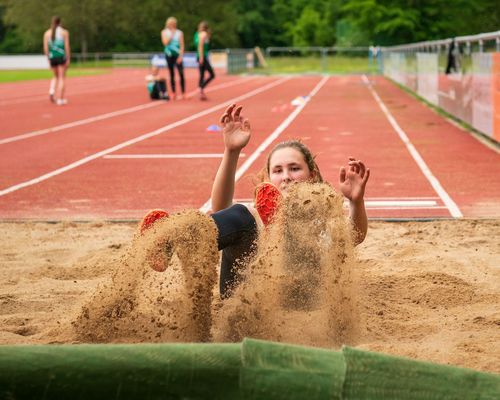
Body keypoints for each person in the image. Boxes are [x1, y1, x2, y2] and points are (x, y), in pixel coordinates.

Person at [142, 104, 370, 298]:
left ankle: (279, 230)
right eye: (278, 171)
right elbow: (220, 208)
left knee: (259, 218)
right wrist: (231, 151)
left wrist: (356, 202)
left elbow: (354, 236)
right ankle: (169, 239)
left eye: (294, 168)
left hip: (296, 300)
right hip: (242, 295)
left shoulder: (322, 217)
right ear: (269, 179)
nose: (287, 176)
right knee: (241, 214)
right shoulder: (258, 211)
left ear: (311, 174)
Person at [43, 16, 70, 105]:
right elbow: (66, 46)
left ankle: (51, 91)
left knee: (55, 76)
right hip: (61, 56)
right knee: (62, 77)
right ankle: (61, 99)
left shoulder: (47, 33)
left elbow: (46, 49)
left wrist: (48, 59)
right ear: (60, 22)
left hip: (52, 57)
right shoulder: (64, 32)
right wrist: (68, 58)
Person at [161, 17, 185, 100]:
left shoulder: (180, 33)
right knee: (172, 74)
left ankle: (183, 93)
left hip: (177, 55)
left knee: (181, 74)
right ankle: (173, 92)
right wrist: (171, 35)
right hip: (169, 55)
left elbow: (182, 45)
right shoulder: (164, 32)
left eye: (173, 23)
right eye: (170, 24)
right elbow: (165, 43)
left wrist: (181, 56)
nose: (172, 25)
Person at [194, 21, 215, 100]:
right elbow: (200, 46)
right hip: (202, 56)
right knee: (212, 74)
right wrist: (201, 57)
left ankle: (201, 92)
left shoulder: (197, 34)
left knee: (202, 74)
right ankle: (201, 87)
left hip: (200, 56)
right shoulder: (203, 34)